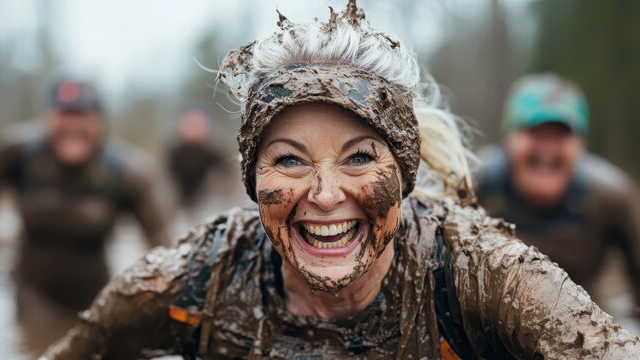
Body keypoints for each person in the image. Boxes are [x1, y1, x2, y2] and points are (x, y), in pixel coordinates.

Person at [43, 3, 640, 359]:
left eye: (358, 158)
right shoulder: (198, 280)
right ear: (253, 179)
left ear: (403, 173)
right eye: (290, 161)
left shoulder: (479, 274)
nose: (325, 196)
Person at [0, 78, 171, 354]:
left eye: (83, 115)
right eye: (65, 114)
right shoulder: (18, 154)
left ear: (100, 123)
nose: (73, 125)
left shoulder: (127, 172)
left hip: (93, 301)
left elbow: (163, 245)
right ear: (48, 118)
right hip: (30, 295)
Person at [475, 74, 640, 314]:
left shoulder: (611, 196)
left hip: (586, 322)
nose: (547, 147)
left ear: (581, 145)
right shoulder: (474, 182)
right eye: (534, 132)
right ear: (508, 138)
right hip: (488, 316)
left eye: (560, 134)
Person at [166, 108, 228, 209]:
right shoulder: (174, 152)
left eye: (198, 125)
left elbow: (227, 178)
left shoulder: (214, 151)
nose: (194, 128)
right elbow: (167, 179)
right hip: (179, 202)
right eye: (190, 124)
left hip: (208, 201)